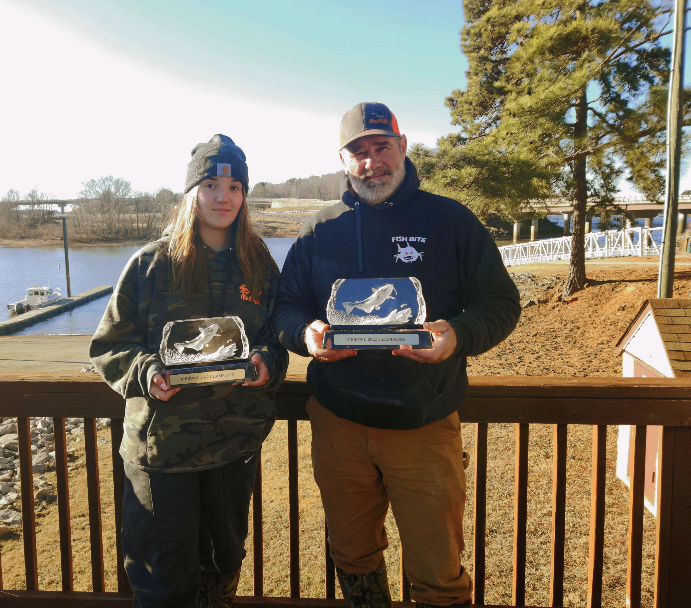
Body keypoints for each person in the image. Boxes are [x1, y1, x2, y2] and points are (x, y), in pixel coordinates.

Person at [273, 103, 520, 608]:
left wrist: (457, 336)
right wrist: (306, 332)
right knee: (352, 553)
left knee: (438, 572)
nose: (371, 162)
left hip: (424, 426)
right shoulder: (318, 230)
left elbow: (500, 303)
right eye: (358, 152)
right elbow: (284, 308)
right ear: (343, 160)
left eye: (381, 147)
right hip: (339, 425)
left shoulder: (451, 220)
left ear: (402, 146)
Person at [90, 134, 288, 608]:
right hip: (162, 455)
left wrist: (267, 362)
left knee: (222, 574)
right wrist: (145, 372)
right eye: (211, 184)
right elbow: (109, 345)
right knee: (164, 586)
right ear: (190, 192)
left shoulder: (258, 264)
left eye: (236, 186)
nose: (224, 197)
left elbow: (276, 336)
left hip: (233, 448)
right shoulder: (150, 265)